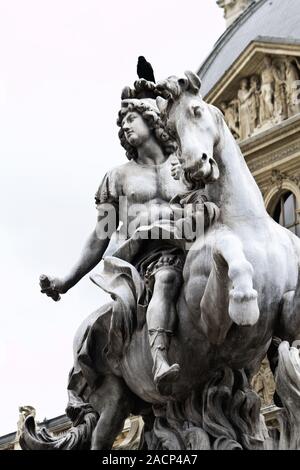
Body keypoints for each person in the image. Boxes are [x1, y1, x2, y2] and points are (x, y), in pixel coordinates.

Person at [40, 97, 190, 395]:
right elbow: (101, 235)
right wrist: (66, 281)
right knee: (166, 279)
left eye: (130, 119)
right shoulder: (119, 177)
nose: (124, 126)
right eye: (121, 123)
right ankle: (159, 358)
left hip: (191, 244)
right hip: (150, 257)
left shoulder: (185, 163)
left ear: (151, 120)